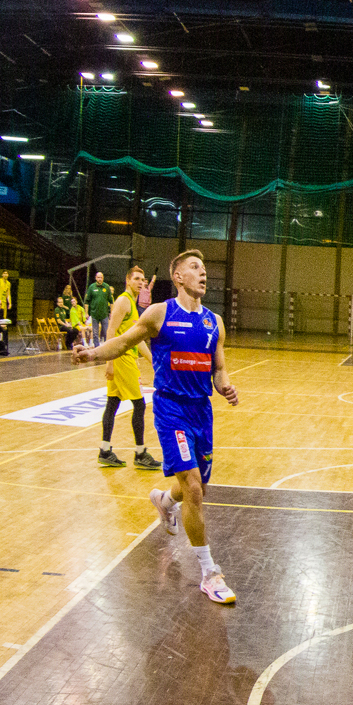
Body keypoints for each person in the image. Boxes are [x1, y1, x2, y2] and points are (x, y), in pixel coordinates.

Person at [74, 250, 241, 602]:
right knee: (193, 489)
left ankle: (164, 501)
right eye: (195, 267)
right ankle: (209, 573)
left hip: (201, 412)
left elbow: (219, 367)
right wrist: (93, 354)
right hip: (171, 410)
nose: (203, 273)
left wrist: (225, 386)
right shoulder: (160, 313)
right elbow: (124, 341)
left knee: (197, 486)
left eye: (204, 268)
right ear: (178, 277)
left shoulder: (214, 322)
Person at [97, 266, 162, 470]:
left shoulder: (132, 304)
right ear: (127, 280)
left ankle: (105, 450)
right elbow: (110, 331)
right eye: (137, 279)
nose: (141, 282)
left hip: (124, 357)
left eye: (143, 279)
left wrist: (153, 361)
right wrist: (109, 363)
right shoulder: (124, 301)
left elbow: (136, 340)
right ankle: (140, 453)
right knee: (139, 405)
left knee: (112, 403)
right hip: (122, 358)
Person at [85, 271, 115, 349]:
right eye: (98, 277)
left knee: (106, 331)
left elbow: (111, 301)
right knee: (95, 332)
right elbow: (87, 301)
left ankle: (106, 347)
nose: (100, 279)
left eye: (101, 277)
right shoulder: (92, 287)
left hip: (104, 314)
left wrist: (111, 312)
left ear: (103, 278)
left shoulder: (106, 287)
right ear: (96, 278)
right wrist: (86, 313)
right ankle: (97, 348)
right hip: (94, 313)